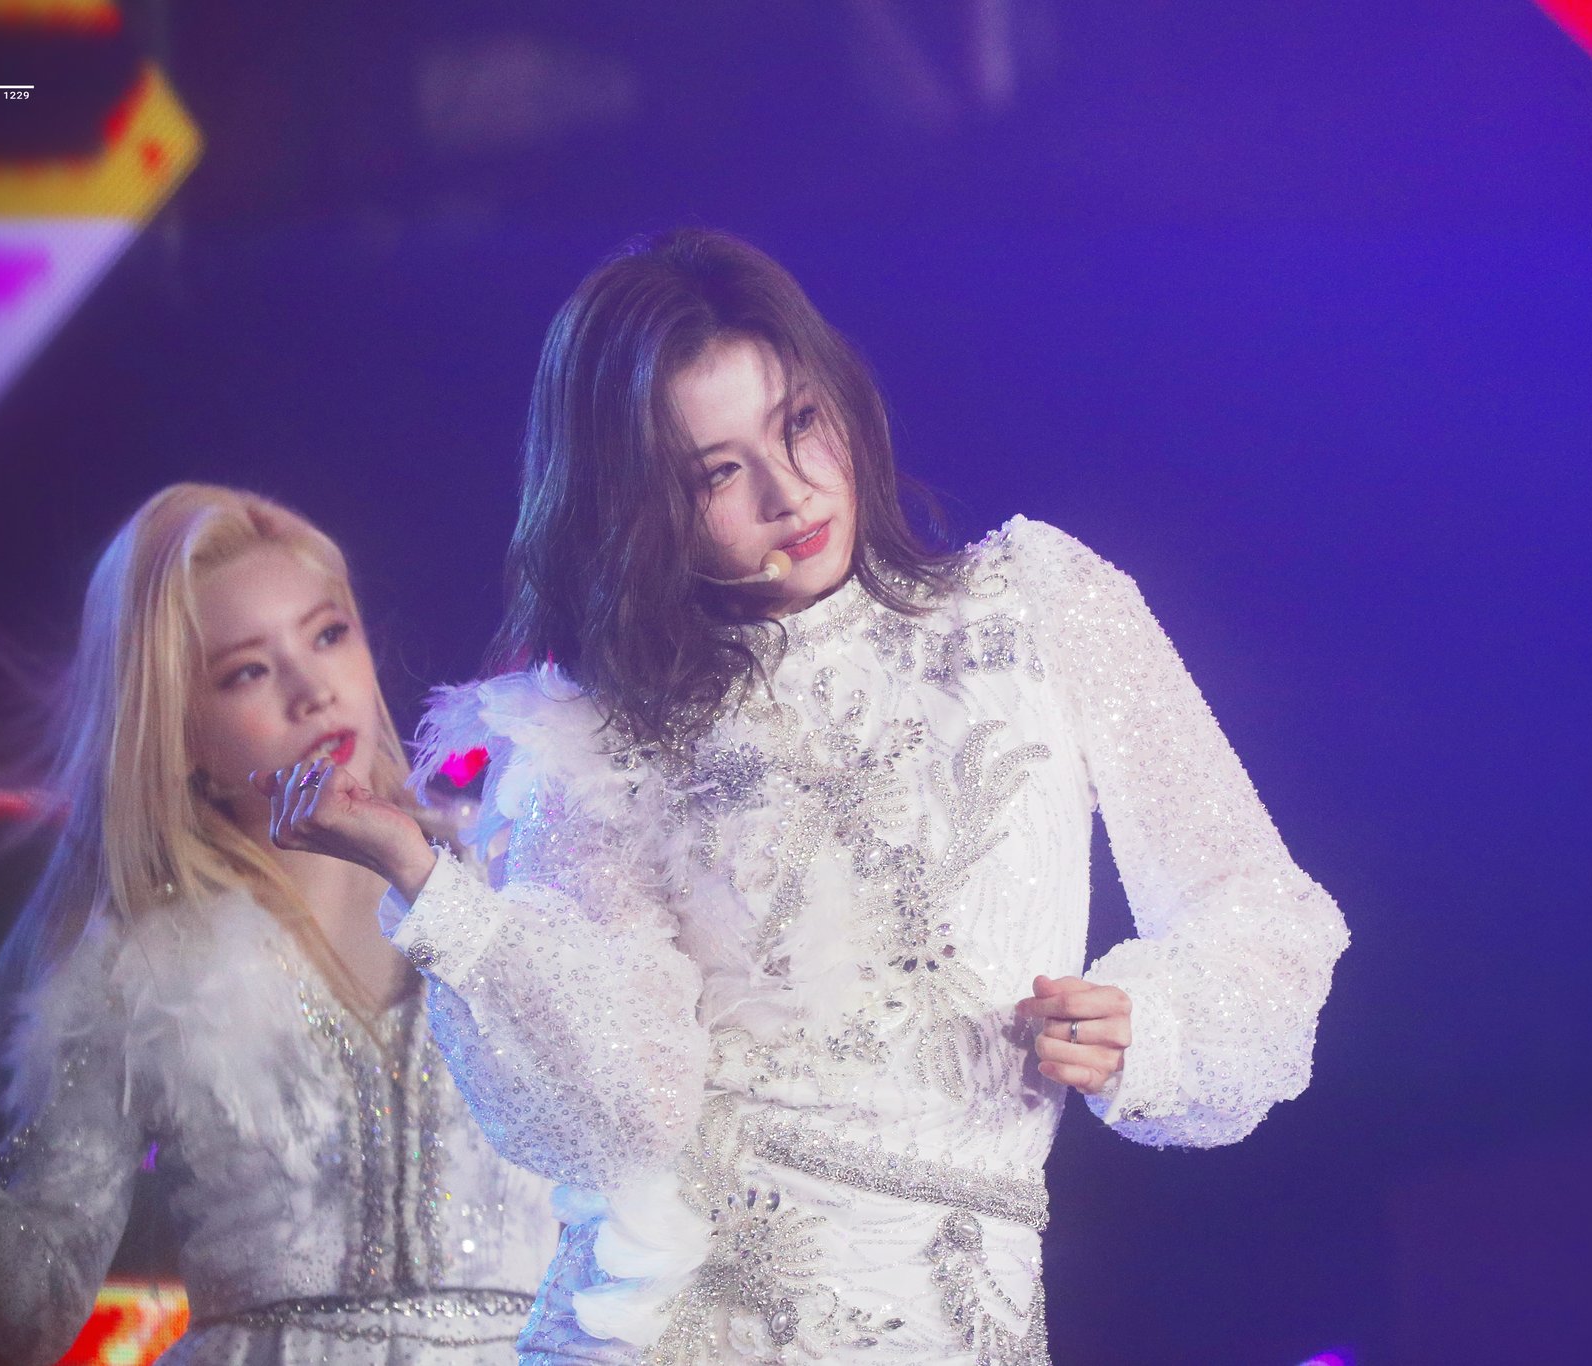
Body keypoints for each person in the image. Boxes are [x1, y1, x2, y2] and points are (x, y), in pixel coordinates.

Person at [266, 231, 1351, 1364]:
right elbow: (622, 1114)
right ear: (636, 509)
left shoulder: (1040, 607)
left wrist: (1151, 1024)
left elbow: (1257, 909)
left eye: (798, 423)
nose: (789, 492)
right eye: (716, 473)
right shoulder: (599, 739)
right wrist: (426, 881)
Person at [0, 484, 557, 1362]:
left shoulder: (520, 874)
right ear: (177, 727)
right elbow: (33, 1308)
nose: (312, 691)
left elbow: (641, 1139)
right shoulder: (139, 965)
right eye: (246, 671)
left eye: (328, 634)